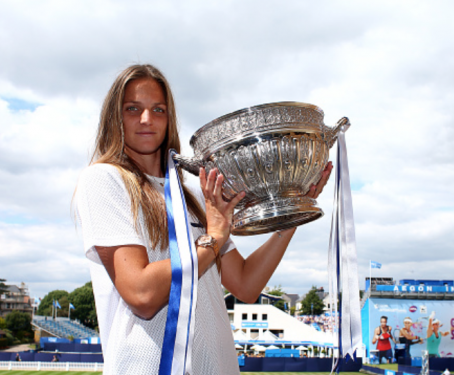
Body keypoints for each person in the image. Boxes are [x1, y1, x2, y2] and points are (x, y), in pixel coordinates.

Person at [74, 64, 333, 375]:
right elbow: (141, 294)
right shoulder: (104, 179)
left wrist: (290, 213)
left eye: (158, 109)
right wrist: (213, 239)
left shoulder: (195, 196)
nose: (147, 119)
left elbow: (246, 285)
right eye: (133, 108)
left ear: (169, 119)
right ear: (115, 117)